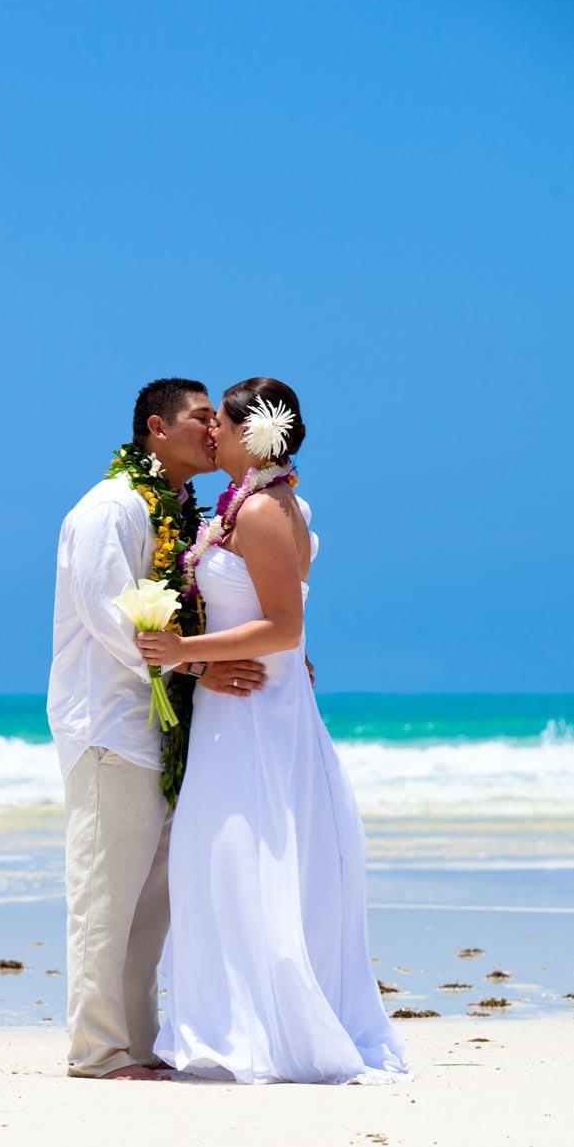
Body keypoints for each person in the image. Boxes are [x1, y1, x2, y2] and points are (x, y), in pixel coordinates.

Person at [135, 377, 409, 1084]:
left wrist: (182, 654)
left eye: (218, 422)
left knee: (246, 856)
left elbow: (285, 629)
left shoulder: (261, 510)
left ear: (243, 433)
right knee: (219, 862)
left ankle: (257, 1031)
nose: (210, 433)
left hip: (258, 710)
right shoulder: (249, 505)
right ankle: (225, 1023)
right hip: (237, 706)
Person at [47, 378, 270, 1080]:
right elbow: (110, 613)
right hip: (110, 724)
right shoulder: (112, 507)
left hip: (159, 731)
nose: (214, 429)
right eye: (201, 418)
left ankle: (136, 1046)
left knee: (149, 904)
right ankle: (99, 1052)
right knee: (104, 895)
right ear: (156, 428)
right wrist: (199, 673)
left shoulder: (173, 506)